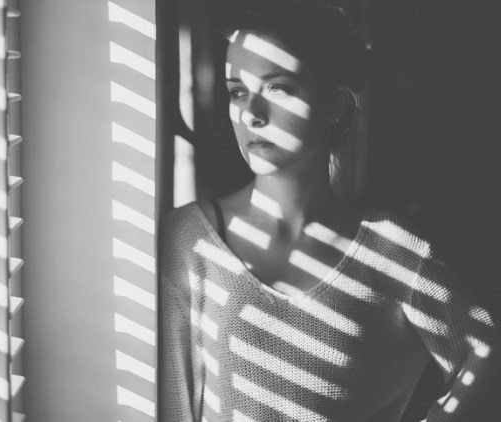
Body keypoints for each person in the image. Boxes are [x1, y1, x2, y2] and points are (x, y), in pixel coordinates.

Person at [159, 1, 500, 421]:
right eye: (237, 91)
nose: (251, 114)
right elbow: (173, 405)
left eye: (278, 87)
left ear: (335, 105)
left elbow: (486, 357)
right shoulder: (190, 241)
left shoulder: (392, 252)